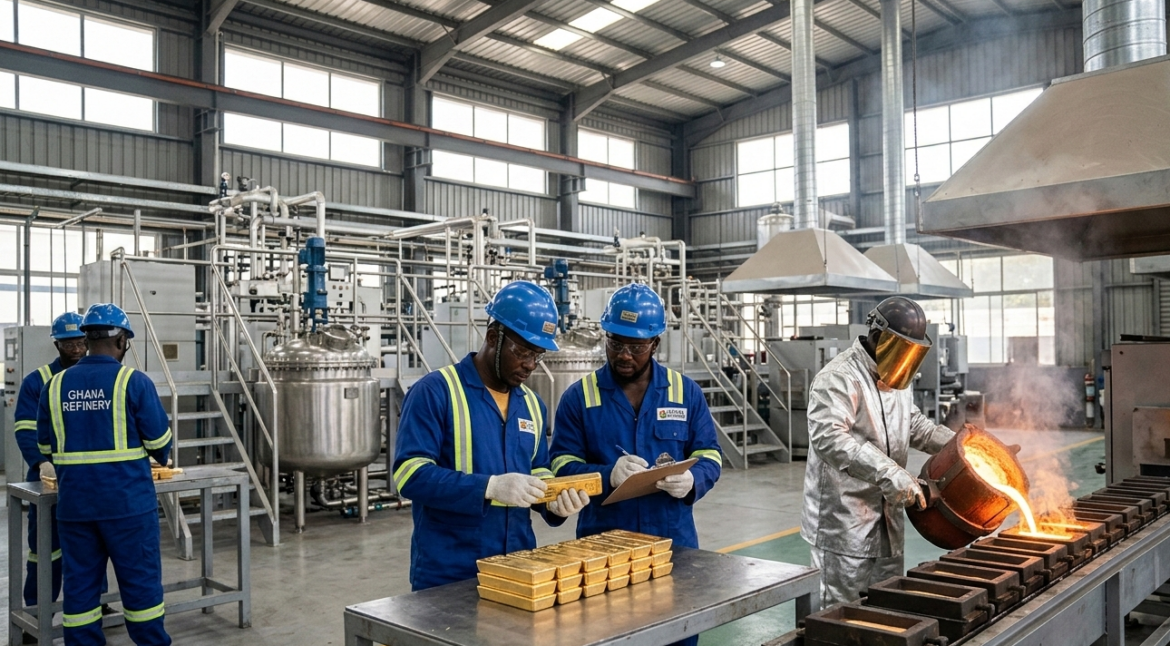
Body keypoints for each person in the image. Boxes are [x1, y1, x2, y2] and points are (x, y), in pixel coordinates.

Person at [550, 283, 722, 646]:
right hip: (603, 548)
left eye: (636, 346)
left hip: (672, 545)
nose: (624, 355)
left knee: (677, 634)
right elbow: (561, 465)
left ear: (655, 344)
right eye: (615, 343)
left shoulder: (684, 392)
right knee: (608, 636)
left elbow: (710, 453)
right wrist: (604, 473)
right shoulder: (579, 397)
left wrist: (693, 479)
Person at [392, 281, 591, 591]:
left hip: (520, 565)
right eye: (523, 351)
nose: (530, 365)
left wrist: (554, 503)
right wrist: (490, 487)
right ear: (493, 337)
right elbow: (409, 475)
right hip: (450, 570)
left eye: (537, 355)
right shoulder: (436, 392)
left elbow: (538, 471)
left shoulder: (532, 405)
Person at [800, 296, 956, 606]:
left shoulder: (896, 378)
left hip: (888, 521)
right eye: (901, 349)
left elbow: (914, 426)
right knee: (839, 615)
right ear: (877, 337)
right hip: (844, 525)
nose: (905, 359)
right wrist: (890, 474)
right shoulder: (839, 378)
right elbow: (831, 439)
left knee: (887, 608)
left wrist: (962, 446)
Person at [37, 303, 173, 646]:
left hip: (75, 508)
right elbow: (160, 444)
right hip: (128, 507)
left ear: (86, 339)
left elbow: (45, 448)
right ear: (122, 341)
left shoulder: (54, 386)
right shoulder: (134, 382)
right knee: (140, 589)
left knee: (80, 590)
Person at [13, 313, 86, 622]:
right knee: (45, 549)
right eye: (69, 342)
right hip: (48, 479)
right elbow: (25, 428)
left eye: (81, 341)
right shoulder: (38, 381)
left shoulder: (95, 378)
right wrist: (42, 462)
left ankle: (96, 602)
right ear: (56, 343)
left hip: (87, 479)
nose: (77, 348)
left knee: (88, 548)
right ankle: (36, 610)